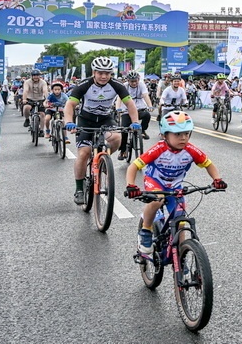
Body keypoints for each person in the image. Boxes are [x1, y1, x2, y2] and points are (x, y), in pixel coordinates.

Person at [124, 111, 226, 254]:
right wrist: (131, 185)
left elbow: (209, 165)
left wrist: (217, 180)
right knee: (157, 200)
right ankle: (146, 230)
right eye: (177, 134)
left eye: (186, 133)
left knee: (180, 223)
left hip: (175, 186)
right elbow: (134, 166)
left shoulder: (191, 150)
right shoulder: (158, 149)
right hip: (155, 182)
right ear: (165, 135)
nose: (183, 138)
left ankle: (180, 260)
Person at [64, 57, 141, 205]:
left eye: (107, 73)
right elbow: (70, 105)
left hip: (106, 119)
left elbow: (130, 104)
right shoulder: (84, 85)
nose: (104, 76)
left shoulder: (117, 85)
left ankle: (101, 161)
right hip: (86, 120)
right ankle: (79, 189)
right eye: (100, 73)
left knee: (117, 138)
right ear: (94, 72)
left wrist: (135, 122)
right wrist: (69, 122)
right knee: (84, 153)